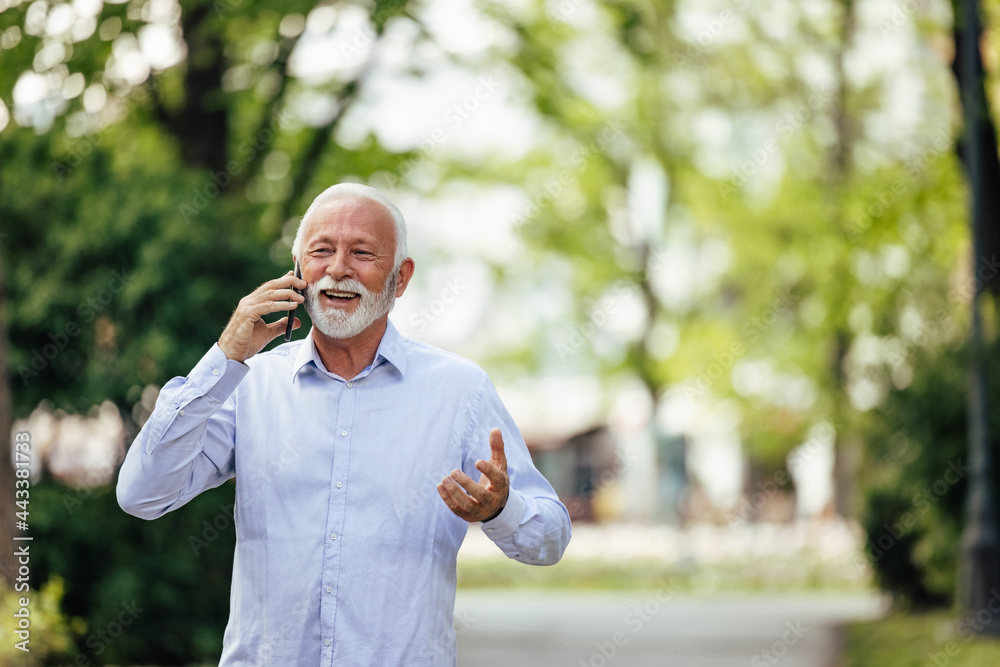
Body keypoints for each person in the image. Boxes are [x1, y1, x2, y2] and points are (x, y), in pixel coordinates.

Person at [116, 183, 572, 666]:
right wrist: (224, 356)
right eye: (321, 251)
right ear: (296, 271)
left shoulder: (460, 390)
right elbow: (142, 495)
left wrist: (500, 509)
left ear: (400, 279)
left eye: (362, 253)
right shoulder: (248, 383)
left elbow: (550, 538)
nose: (337, 269)